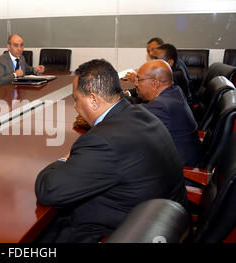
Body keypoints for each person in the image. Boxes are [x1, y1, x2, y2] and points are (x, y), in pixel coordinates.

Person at [35, 59, 188, 243]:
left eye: (76, 99)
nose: (75, 106)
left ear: (93, 99)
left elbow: (48, 189)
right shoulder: (143, 114)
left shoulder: (103, 141)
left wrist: (65, 159)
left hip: (119, 230)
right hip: (159, 220)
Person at [135, 59, 202, 167]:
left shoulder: (161, 106)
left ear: (155, 83)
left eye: (139, 79)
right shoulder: (175, 91)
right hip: (184, 160)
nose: (136, 83)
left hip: (181, 173)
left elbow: (132, 116)